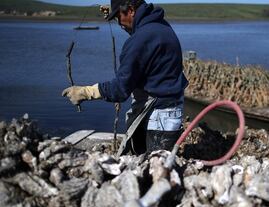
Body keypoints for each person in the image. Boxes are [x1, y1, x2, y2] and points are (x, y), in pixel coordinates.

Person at [62, 0, 188, 155]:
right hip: (170, 110)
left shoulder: (139, 40)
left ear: (130, 10)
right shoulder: (160, 26)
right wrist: (118, 16)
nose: (119, 23)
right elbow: (142, 37)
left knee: (153, 171)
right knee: (152, 166)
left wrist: (86, 92)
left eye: (119, 16)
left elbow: (120, 90)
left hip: (158, 117)